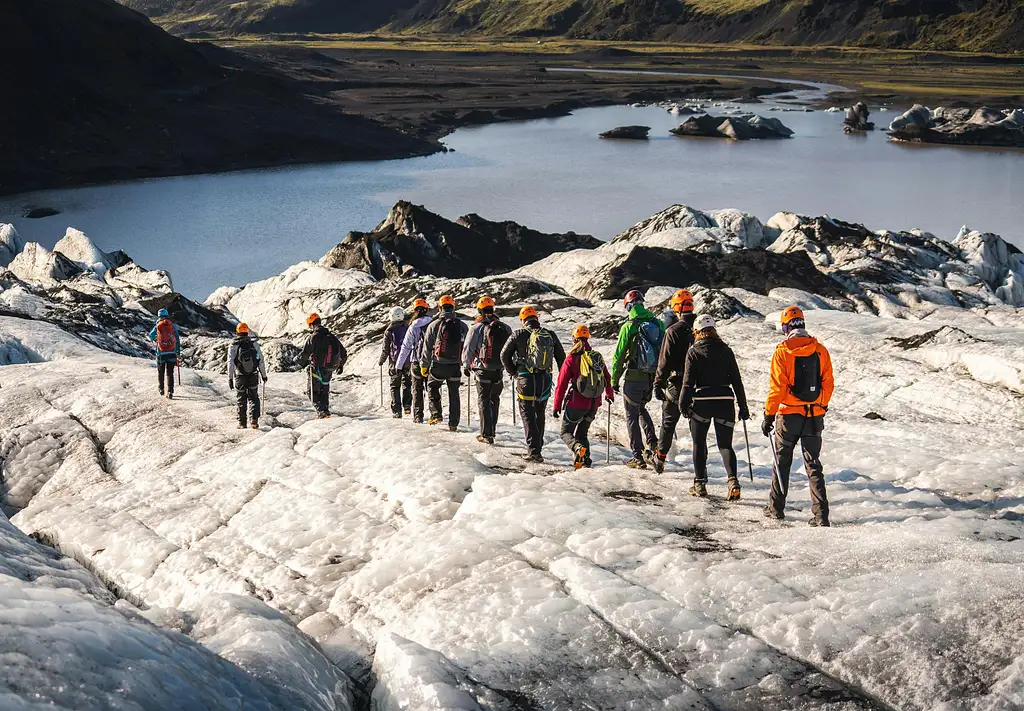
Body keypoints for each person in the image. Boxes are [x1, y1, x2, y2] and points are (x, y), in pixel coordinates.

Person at [762, 306, 835, 527]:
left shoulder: (782, 352)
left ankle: (776, 509)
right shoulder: (820, 350)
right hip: (814, 416)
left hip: (788, 416)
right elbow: (828, 383)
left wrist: (768, 415)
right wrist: (821, 404)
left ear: (786, 327)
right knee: (813, 464)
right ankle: (821, 515)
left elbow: (777, 389)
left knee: (782, 462)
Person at [678, 315, 749, 500]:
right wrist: (743, 406)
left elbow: (687, 383)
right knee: (725, 445)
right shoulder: (726, 350)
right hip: (725, 401)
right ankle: (733, 481)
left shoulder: (693, 352)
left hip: (702, 403)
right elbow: (736, 381)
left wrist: (683, 404)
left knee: (699, 444)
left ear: (697, 331)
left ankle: (699, 483)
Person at [500, 306, 566, 463]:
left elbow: (504, 355)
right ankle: (538, 448)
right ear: (536, 318)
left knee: (527, 414)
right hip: (544, 380)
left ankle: (534, 451)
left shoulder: (518, 334)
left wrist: (514, 372)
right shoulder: (550, 334)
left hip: (525, 379)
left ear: (523, 320)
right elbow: (561, 358)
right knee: (540, 413)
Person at [610, 290, 665, 469]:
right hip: (652, 378)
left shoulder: (629, 326)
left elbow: (618, 356)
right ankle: (654, 443)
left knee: (631, 415)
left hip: (634, 377)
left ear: (628, 306)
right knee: (641, 408)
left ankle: (638, 456)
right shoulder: (658, 323)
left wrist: (614, 381)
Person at [552, 324, 614, 469]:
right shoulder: (596, 357)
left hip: (576, 404)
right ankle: (586, 460)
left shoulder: (571, 359)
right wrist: (609, 394)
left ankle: (578, 449)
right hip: (593, 403)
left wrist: (556, 406)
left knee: (565, 432)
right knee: (582, 434)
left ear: (574, 339)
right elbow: (607, 377)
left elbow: (561, 385)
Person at [651, 289, 696, 473]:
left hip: (677, 384)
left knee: (669, 422)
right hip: (698, 386)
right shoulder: (700, 329)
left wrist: (658, 384)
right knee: (697, 429)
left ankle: (660, 458)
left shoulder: (673, 330)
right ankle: (701, 471)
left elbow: (664, 360)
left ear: (677, 308)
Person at [462, 296, 512, 444]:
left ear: (479, 310)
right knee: (494, 400)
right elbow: (510, 349)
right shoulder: (505, 327)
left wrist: (466, 365)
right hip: (498, 369)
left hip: (481, 369)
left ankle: (486, 434)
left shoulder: (476, 328)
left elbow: (469, 348)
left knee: (483, 400)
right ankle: (492, 431)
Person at [421, 295, 470, 431]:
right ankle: (453, 423)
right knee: (454, 393)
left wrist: (424, 366)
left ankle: (436, 414)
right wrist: (466, 364)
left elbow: (427, 347)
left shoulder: (434, 325)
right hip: (455, 366)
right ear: (453, 307)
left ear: (439, 307)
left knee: (432, 386)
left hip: (438, 365)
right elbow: (467, 346)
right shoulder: (462, 325)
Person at [299, 313, 347, 419]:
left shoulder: (313, 337)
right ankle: (326, 411)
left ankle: (321, 412)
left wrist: (299, 364)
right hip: (329, 368)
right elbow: (343, 353)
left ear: (311, 325)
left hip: (317, 368)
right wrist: (340, 366)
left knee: (312, 391)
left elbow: (305, 354)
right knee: (324, 390)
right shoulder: (331, 336)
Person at [396, 298, 433, 424]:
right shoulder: (433, 324)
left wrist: (399, 365)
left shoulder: (413, 327)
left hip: (416, 362)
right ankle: (435, 414)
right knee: (432, 389)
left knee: (417, 390)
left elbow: (405, 347)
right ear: (426, 309)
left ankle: (418, 416)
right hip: (431, 362)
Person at [227, 323, 268, 429]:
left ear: (237, 332)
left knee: (241, 399)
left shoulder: (234, 345)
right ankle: (254, 421)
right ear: (247, 332)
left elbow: (230, 362)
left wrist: (230, 377)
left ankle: (242, 423)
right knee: (253, 397)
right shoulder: (254, 344)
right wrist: (264, 375)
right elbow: (260, 360)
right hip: (253, 374)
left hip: (240, 375)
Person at [380, 306, 412, 419]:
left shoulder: (389, 330)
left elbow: (386, 349)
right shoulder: (407, 327)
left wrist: (381, 360)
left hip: (394, 362)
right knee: (407, 383)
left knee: (395, 386)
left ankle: (397, 411)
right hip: (407, 360)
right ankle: (407, 405)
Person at [147, 308, 180, 399]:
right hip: (172, 352)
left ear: (158, 316)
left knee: (161, 372)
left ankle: (161, 389)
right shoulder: (172, 325)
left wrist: (156, 338)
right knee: (170, 373)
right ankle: (170, 392)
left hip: (161, 353)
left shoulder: (157, 326)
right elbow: (177, 339)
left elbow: (150, 336)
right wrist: (178, 352)